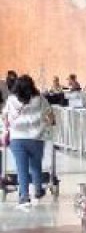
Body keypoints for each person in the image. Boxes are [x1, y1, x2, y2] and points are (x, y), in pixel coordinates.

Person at [2, 75, 55, 209]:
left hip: (17, 138)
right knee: (36, 165)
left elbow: (5, 116)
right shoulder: (40, 99)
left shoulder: (11, 99)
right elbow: (50, 115)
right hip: (37, 137)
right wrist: (46, 125)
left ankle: (24, 195)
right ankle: (38, 190)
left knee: (22, 168)